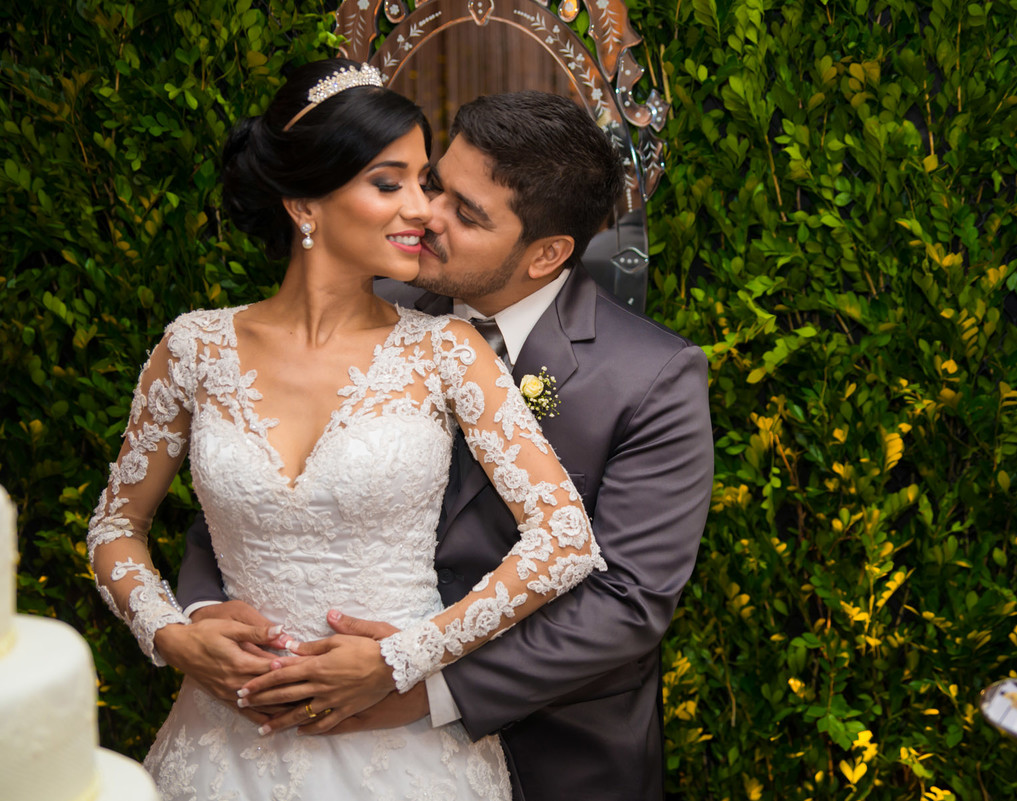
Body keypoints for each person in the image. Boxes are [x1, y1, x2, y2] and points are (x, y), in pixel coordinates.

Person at [86, 59, 607, 801]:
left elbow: (563, 538)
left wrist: (405, 658)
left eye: (425, 182)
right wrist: (172, 634)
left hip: (404, 755)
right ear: (305, 203)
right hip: (220, 739)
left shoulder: (446, 351)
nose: (424, 211)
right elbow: (116, 525)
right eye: (389, 184)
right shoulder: (194, 349)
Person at [175, 90, 715, 800]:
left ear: (546, 254)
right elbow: (261, 486)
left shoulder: (652, 379)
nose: (426, 215)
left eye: (466, 213)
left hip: (555, 751)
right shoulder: (372, 305)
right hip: (301, 728)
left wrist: (418, 688)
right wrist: (200, 611)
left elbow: (626, 601)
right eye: (435, 184)